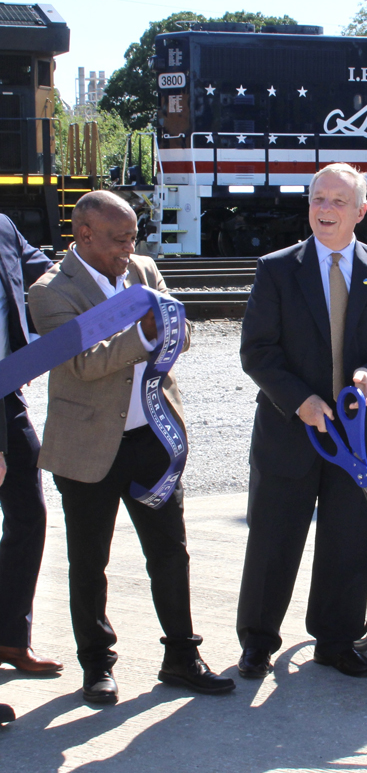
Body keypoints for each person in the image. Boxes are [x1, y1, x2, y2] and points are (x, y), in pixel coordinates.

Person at [27, 190, 233, 704]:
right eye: (119, 240)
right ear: (84, 235)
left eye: (133, 237)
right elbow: (80, 363)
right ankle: (97, 664)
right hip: (86, 447)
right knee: (89, 560)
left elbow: (180, 332)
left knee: (170, 552)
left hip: (152, 439)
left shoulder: (143, 269)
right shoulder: (51, 290)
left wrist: (167, 334)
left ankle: (182, 656)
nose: (129, 248)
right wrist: (142, 336)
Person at [236, 162, 367, 679]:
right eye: (318, 199)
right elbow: (258, 352)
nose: (326, 209)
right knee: (274, 538)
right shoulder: (276, 269)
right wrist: (301, 401)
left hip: (357, 434)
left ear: (361, 211)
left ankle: (336, 641)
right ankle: (257, 642)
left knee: (348, 538)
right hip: (289, 429)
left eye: (339, 201)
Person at [0, 214, 62, 678]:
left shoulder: (2, 224)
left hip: (6, 390)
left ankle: (10, 639)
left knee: (28, 513)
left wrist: (110, 265)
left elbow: (45, 268)